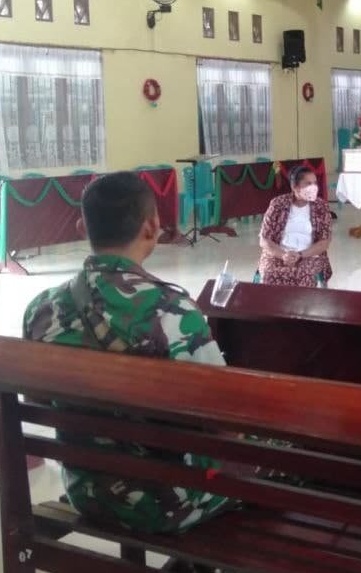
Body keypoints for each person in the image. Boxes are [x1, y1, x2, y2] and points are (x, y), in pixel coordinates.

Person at [23, 171, 233, 536]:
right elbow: (224, 416)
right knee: (280, 455)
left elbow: (36, 399)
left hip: (87, 492)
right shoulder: (173, 310)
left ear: (82, 228)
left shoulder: (41, 309)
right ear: (152, 227)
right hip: (169, 503)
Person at [257, 165, 332, 287]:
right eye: (308, 184)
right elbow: (264, 240)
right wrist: (283, 255)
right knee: (270, 274)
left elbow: (324, 242)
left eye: (315, 183)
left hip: (309, 255)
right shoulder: (277, 204)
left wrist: (300, 255)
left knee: (303, 275)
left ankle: (301, 301)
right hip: (278, 253)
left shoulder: (321, 207)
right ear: (294, 186)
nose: (313, 187)